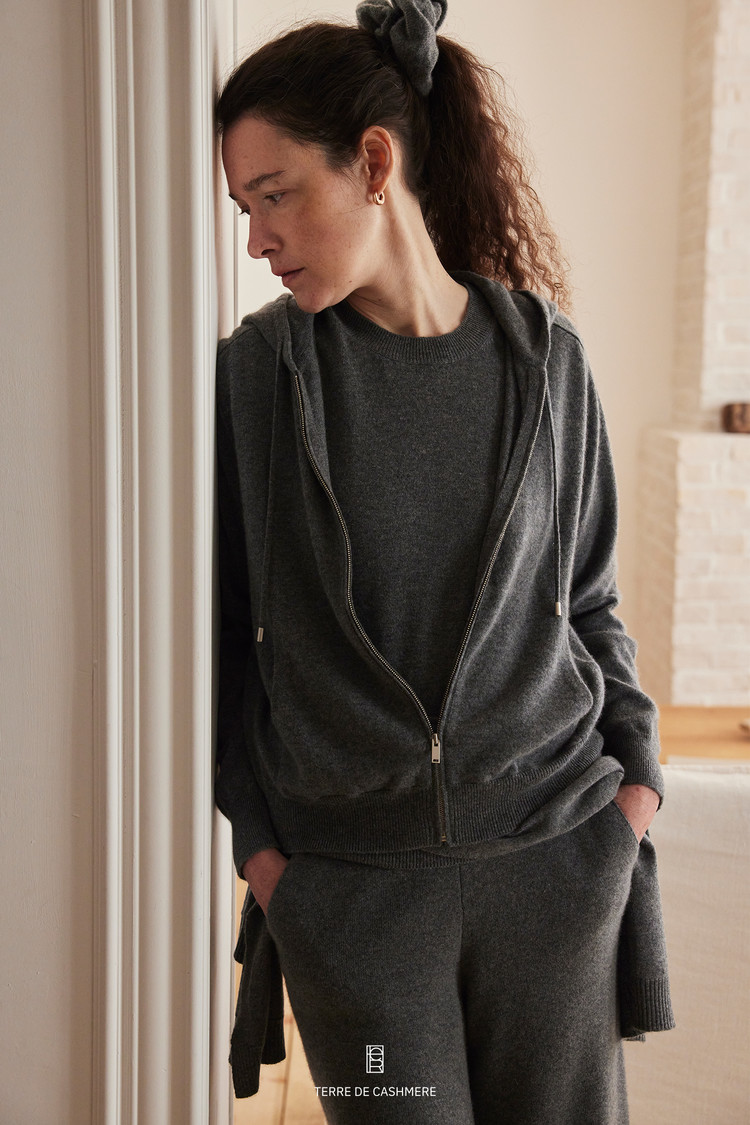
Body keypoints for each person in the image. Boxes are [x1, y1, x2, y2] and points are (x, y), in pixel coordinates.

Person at [213, 1, 675, 1121]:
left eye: (275, 195)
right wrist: (269, 860)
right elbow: (223, 642)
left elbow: (590, 600)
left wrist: (636, 793)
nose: (257, 239)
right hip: (353, 901)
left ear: (374, 164)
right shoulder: (260, 379)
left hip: (556, 865)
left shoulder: (546, 360)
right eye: (244, 208)